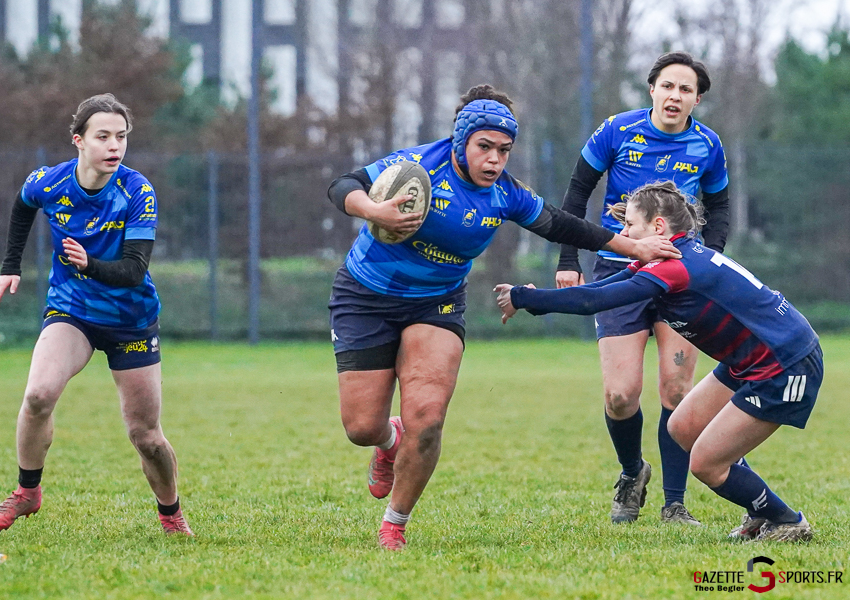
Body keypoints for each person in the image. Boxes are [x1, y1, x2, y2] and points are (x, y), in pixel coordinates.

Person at [326, 84, 681, 550]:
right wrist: (372, 208)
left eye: (504, 150)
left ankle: (395, 523)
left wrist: (633, 246)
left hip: (436, 303)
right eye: (484, 148)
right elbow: (342, 185)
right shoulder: (419, 166)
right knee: (361, 427)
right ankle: (388, 441)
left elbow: (562, 224)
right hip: (364, 296)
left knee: (428, 417)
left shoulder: (506, 194)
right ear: (461, 143)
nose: (494, 160)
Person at [496, 181, 821, 542]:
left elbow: (592, 304)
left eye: (630, 226)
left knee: (707, 465)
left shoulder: (675, 268)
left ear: (658, 228)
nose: (623, 234)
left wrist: (523, 296)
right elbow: (595, 292)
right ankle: (761, 512)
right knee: (682, 427)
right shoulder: (671, 258)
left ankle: (787, 520)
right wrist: (531, 299)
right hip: (752, 358)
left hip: (784, 362)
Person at [0, 93, 192, 536]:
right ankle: (27, 493)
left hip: (130, 319)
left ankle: (171, 513)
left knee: (146, 436)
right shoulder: (50, 181)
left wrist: (88, 265)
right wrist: (9, 267)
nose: (114, 145)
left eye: (121, 137)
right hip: (72, 311)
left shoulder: (137, 191)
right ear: (78, 140)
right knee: (38, 394)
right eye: (103, 136)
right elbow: (23, 206)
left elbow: (135, 271)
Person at [554, 51, 730, 525]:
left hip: (679, 280)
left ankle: (675, 503)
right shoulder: (617, 130)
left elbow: (720, 208)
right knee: (620, 395)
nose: (675, 96)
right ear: (652, 89)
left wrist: (709, 263)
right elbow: (576, 193)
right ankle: (632, 473)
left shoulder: (708, 144)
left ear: (696, 99)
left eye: (686, 89)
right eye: (667, 86)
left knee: (676, 389)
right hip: (618, 270)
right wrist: (568, 258)